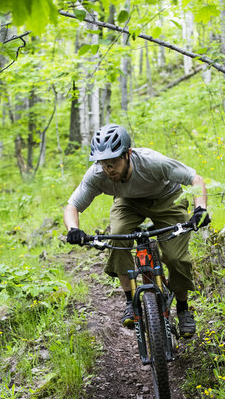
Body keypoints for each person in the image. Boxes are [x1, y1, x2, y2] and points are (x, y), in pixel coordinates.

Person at [64, 123, 210, 337]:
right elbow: (72, 206)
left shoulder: (152, 162)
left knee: (175, 257)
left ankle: (183, 308)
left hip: (166, 198)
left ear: (127, 154)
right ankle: (130, 302)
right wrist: (73, 229)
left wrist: (200, 209)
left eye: (113, 162)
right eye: (103, 163)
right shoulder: (97, 174)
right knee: (118, 239)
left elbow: (195, 179)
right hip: (128, 202)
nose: (108, 169)